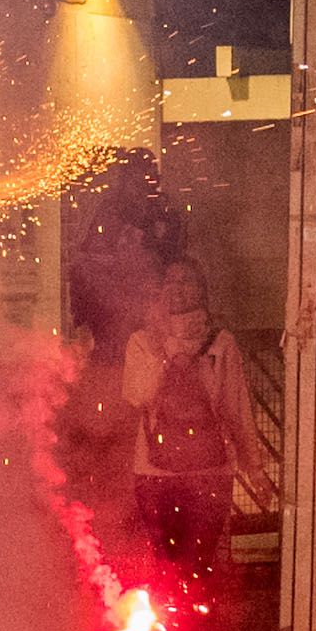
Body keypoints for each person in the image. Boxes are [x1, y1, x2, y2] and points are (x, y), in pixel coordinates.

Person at [116, 260, 259, 607]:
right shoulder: (143, 341)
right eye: (172, 281)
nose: (179, 288)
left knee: (200, 566)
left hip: (209, 474)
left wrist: (254, 467)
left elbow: (236, 407)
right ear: (160, 291)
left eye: (188, 281)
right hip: (156, 474)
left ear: (202, 291)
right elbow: (137, 394)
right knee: (165, 564)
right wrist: (170, 349)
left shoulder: (221, 342)